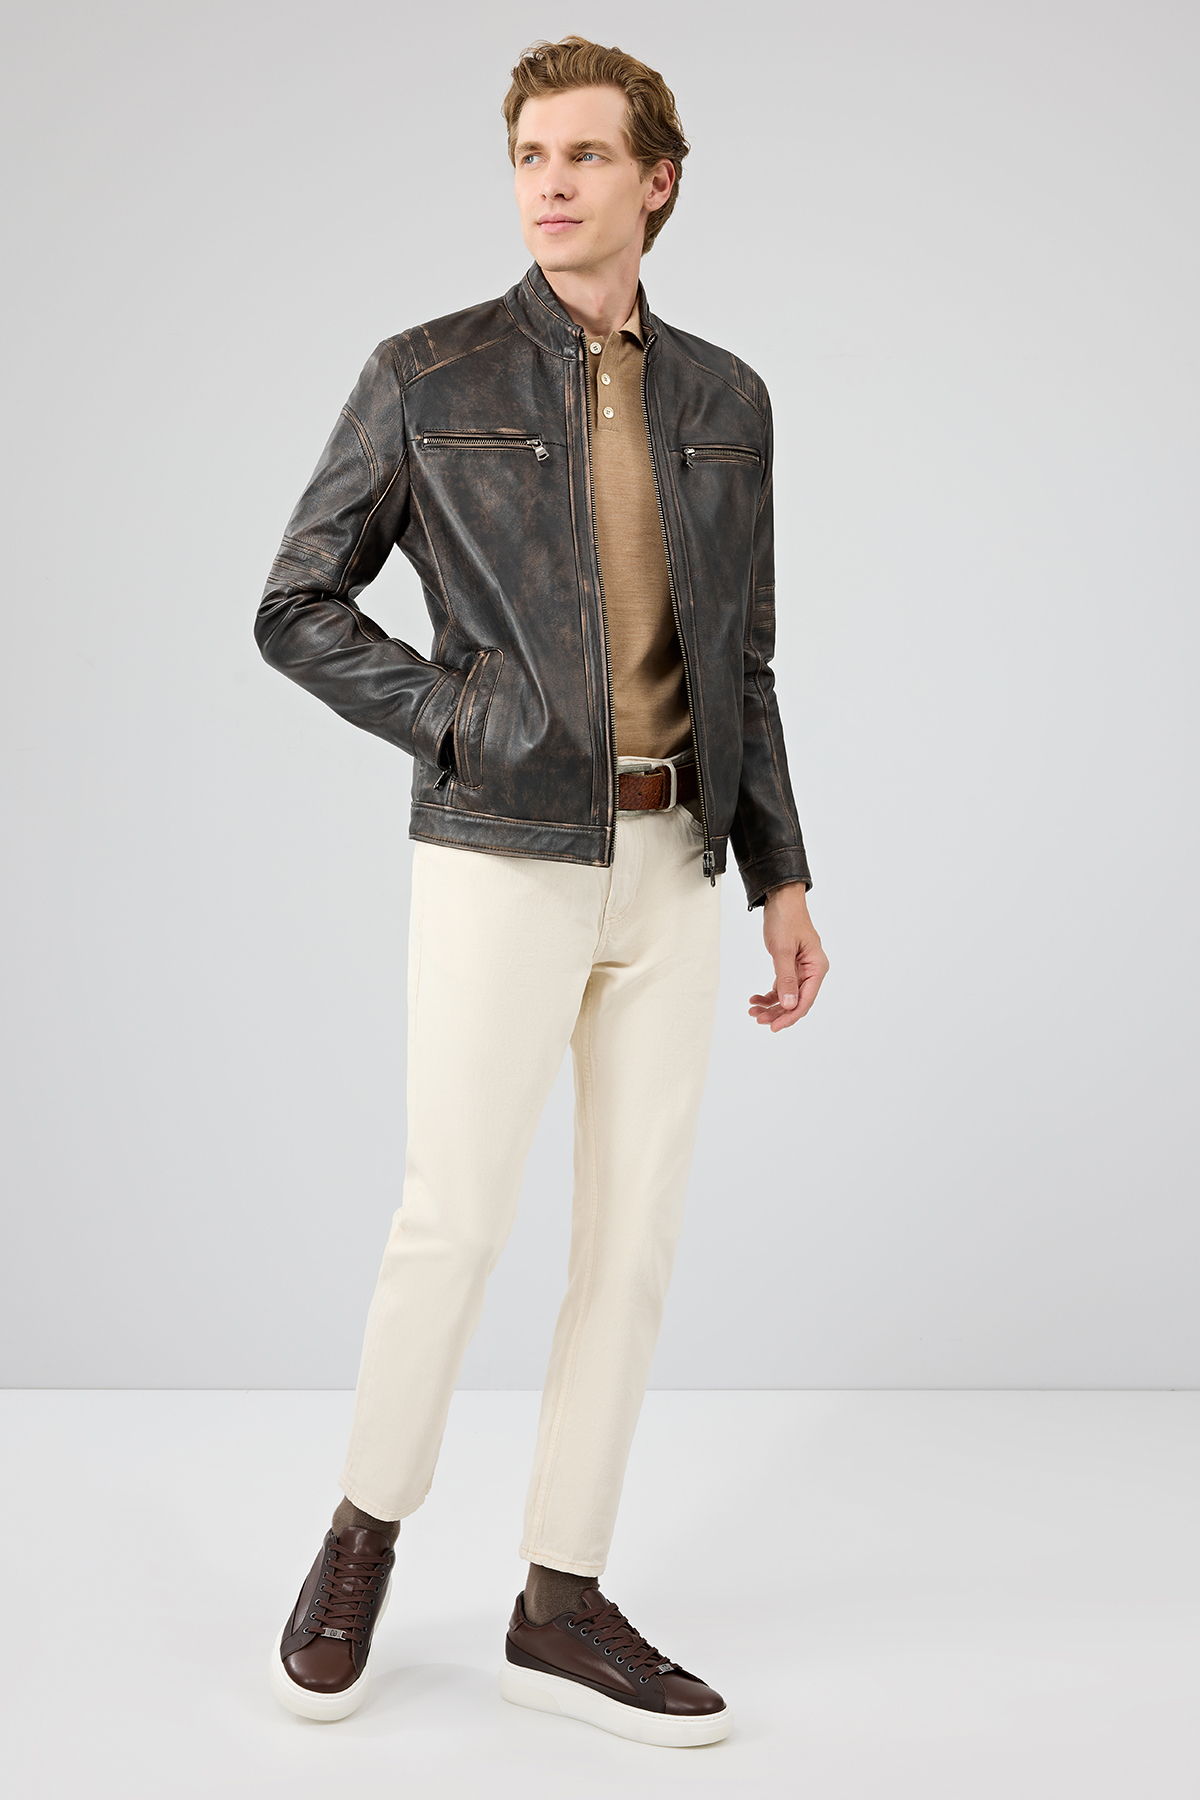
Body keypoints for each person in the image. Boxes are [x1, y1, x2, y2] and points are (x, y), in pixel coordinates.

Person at [255, 34, 828, 1749]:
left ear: (659, 180)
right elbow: (296, 602)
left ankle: (559, 1598)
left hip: (673, 863)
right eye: (529, 156)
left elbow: (744, 660)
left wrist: (783, 874)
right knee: (455, 1217)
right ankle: (363, 1537)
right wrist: (461, 718)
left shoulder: (728, 402)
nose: (553, 183)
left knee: (631, 1240)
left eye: (586, 155)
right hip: (499, 856)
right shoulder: (426, 373)